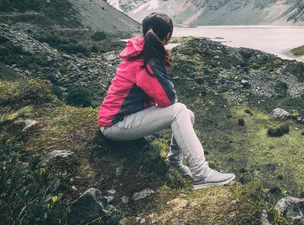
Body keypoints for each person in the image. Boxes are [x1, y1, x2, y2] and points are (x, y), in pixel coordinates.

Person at [97, 13, 235, 190]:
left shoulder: (141, 52)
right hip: (115, 125)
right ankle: (201, 174)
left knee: (187, 114)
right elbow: (168, 99)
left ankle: (174, 162)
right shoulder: (148, 60)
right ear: (168, 36)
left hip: (119, 119)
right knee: (179, 111)